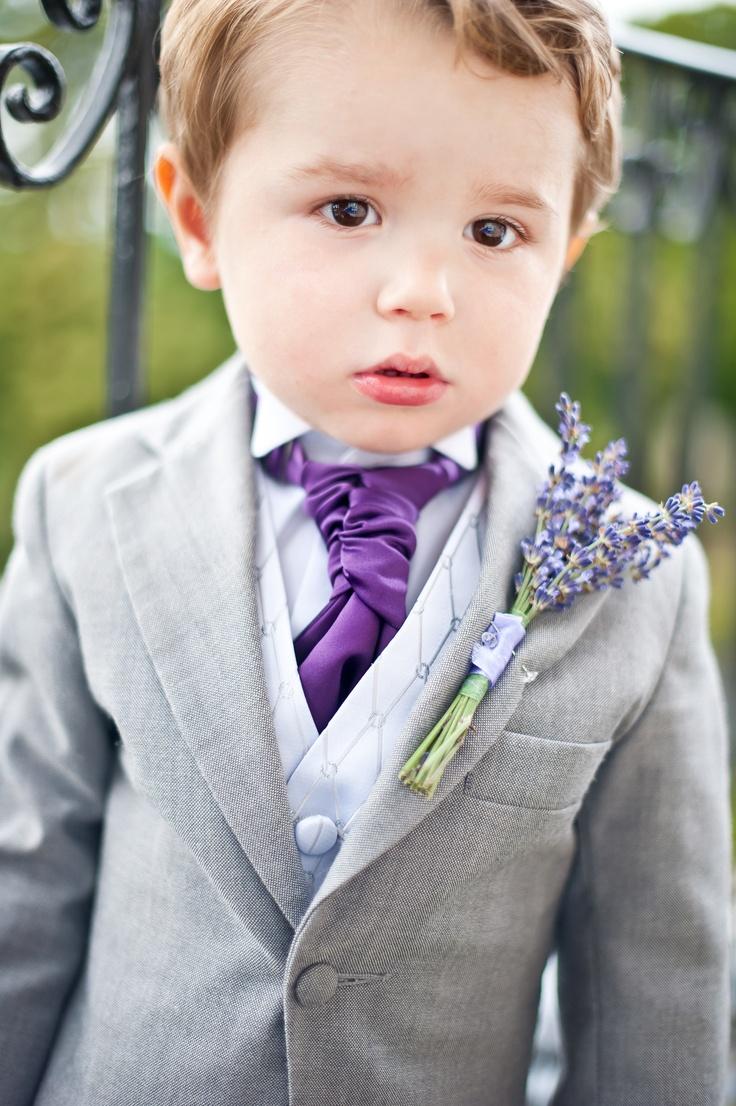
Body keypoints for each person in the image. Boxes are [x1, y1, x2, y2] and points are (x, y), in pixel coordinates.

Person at [0, 0, 730, 1103]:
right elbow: (25, 877)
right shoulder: (83, 502)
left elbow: (658, 979)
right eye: (348, 208)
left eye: (495, 232)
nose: (420, 292)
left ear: (567, 254)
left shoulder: (638, 576)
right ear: (196, 221)